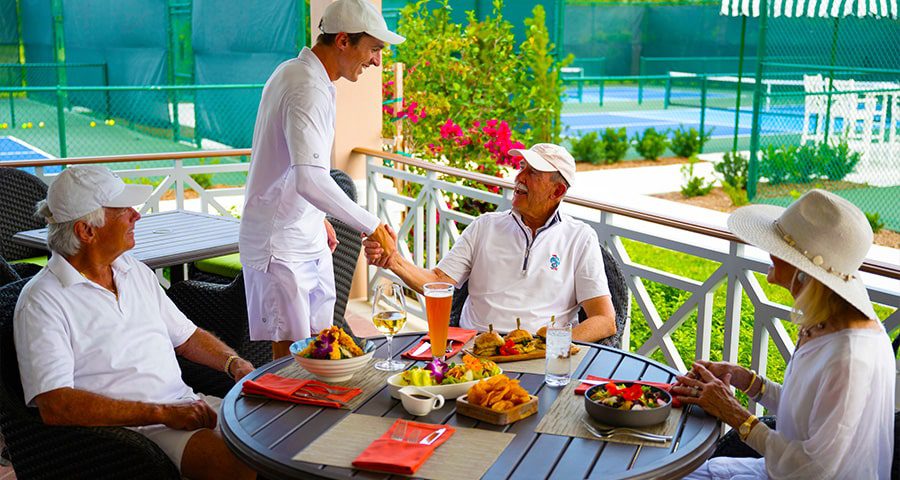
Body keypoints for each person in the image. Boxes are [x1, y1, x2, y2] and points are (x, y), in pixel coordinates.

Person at [14, 166, 257, 480]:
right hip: (131, 431)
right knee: (240, 467)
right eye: (123, 210)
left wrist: (234, 364)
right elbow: (55, 404)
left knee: (283, 439)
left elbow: (186, 337)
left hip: (187, 405)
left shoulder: (132, 270)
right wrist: (161, 413)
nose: (136, 215)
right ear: (87, 231)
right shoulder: (42, 301)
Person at [673, 189, 893, 479]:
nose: (770, 259)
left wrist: (735, 414)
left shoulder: (850, 359)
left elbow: (814, 470)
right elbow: (803, 413)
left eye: (777, 250)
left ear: (804, 273)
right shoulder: (829, 322)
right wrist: (745, 379)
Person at [240, 0, 403, 360]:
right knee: (291, 360)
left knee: (322, 347)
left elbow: (292, 165)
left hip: (304, 235)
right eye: (373, 49)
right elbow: (310, 180)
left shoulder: (299, 74)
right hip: (281, 245)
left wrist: (317, 217)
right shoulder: (306, 87)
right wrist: (373, 226)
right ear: (343, 40)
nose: (377, 61)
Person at [365, 143, 618, 342]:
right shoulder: (484, 226)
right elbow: (437, 282)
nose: (519, 177)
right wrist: (394, 260)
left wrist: (551, 346)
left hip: (541, 357)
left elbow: (604, 320)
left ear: (557, 191)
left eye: (532, 172)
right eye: (522, 167)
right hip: (475, 350)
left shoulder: (579, 238)